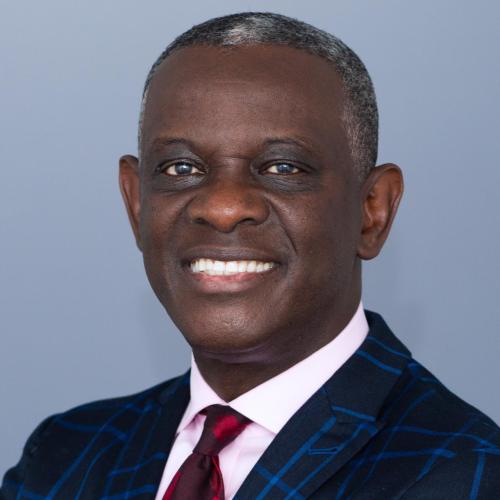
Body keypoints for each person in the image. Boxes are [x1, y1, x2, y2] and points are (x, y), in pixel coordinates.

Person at [2, 12, 499, 500]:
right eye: (180, 168)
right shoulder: (62, 460)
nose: (222, 207)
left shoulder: (464, 474)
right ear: (136, 204)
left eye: (283, 167)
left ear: (372, 211)